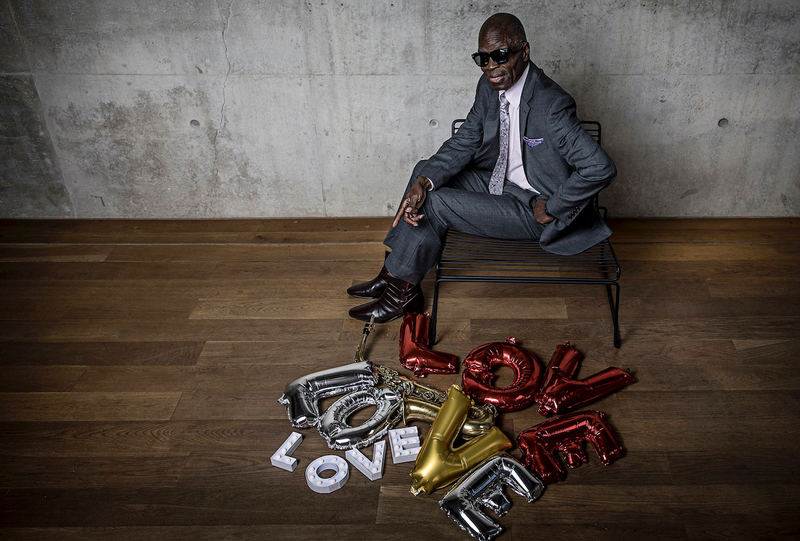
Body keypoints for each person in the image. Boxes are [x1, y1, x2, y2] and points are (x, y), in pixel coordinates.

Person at [348, 13, 616, 323]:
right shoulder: (488, 87)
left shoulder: (551, 104)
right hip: (497, 182)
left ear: (524, 52)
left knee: (434, 202)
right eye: (482, 58)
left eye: (500, 55)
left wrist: (555, 206)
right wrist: (424, 179)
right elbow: (466, 141)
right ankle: (394, 273)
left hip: (534, 207)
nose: (490, 66)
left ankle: (400, 293)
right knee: (424, 174)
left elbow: (600, 167)